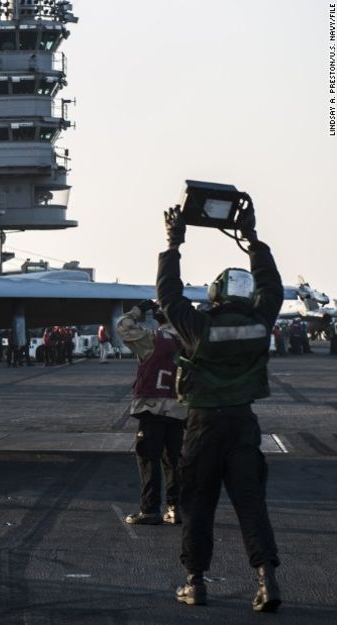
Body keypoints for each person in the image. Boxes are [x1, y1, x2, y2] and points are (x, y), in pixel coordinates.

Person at [158, 206, 282, 612]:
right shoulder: (262, 322)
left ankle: (195, 583)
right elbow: (273, 286)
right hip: (243, 424)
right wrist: (252, 239)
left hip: (204, 425)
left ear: (217, 292)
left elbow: (169, 295)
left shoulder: (199, 328)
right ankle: (267, 582)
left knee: (197, 505)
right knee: (251, 506)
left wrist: (174, 244)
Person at [116, 300, 184, 526]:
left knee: (148, 459)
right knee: (174, 460)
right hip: (179, 409)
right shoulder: (190, 340)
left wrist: (137, 311)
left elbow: (123, 327)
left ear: (159, 317)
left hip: (152, 407)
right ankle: (176, 508)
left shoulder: (153, 339)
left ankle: (150, 509)